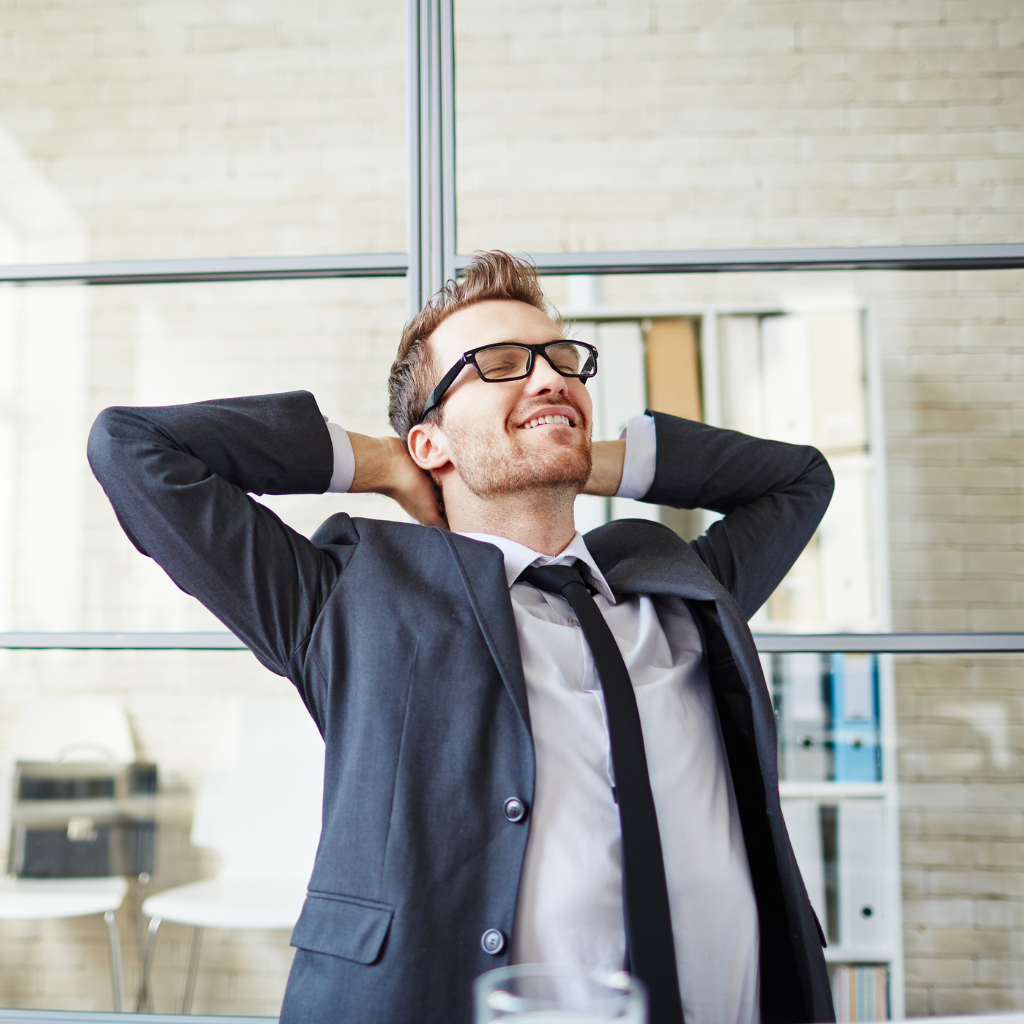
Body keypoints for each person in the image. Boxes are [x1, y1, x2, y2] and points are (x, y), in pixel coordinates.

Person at [88, 251, 835, 1024]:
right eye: (500, 365)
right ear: (430, 443)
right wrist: (379, 462)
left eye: (562, 363)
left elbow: (800, 480)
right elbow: (132, 449)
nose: (550, 379)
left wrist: (581, 455)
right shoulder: (351, 596)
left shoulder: (682, 584)